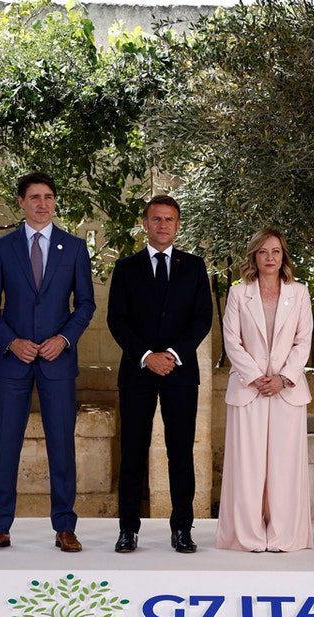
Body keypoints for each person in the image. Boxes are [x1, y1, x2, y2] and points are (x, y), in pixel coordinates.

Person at [0, 172, 96, 553]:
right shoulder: (2, 248)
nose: (42, 203)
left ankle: (65, 526)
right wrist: (11, 341)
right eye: (34, 197)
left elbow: (87, 304)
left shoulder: (74, 248)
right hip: (13, 362)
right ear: (21, 203)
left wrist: (63, 339)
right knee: (6, 444)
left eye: (48, 196)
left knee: (61, 445)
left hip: (57, 363)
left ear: (54, 201)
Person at [108, 195, 213, 554]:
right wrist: (146, 356)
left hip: (180, 372)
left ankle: (182, 529)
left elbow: (202, 319)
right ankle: (128, 530)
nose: (163, 225)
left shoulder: (195, 267)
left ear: (178, 225)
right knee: (132, 451)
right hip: (137, 372)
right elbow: (116, 320)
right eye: (156, 219)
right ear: (145, 223)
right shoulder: (125, 268)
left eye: (169, 219)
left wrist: (171, 354)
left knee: (180, 451)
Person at [216, 229, 314, 552]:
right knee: (247, 466)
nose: (270, 258)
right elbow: (232, 340)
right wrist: (257, 376)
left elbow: (304, 341)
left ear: (283, 256)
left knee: (284, 467)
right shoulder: (238, 293)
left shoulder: (299, 293)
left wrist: (283, 378)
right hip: (249, 390)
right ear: (253, 257)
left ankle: (285, 535)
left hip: (287, 391)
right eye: (263, 252)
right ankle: (247, 536)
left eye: (275, 252)